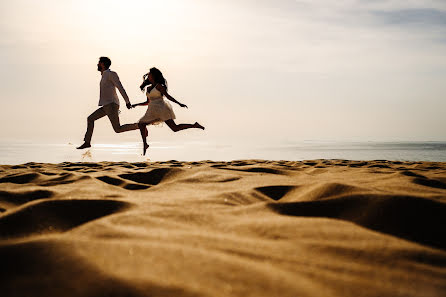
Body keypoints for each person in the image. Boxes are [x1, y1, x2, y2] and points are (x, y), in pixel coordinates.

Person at [132, 67, 205, 155]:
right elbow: (147, 102)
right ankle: (145, 144)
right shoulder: (148, 88)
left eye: (150, 74)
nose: (148, 75)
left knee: (174, 128)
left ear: (154, 75)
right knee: (141, 124)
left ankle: (194, 125)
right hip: (151, 110)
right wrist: (136, 105)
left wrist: (179, 103)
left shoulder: (159, 86)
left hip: (162, 109)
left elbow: (168, 96)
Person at [77, 57, 139, 149]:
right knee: (90, 119)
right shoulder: (104, 75)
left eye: (99, 63)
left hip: (112, 105)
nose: (97, 64)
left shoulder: (111, 74)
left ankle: (139, 126)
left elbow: (120, 87)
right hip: (107, 106)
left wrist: (127, 101)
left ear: (103, 64)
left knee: (117, 129)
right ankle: (87, 142)